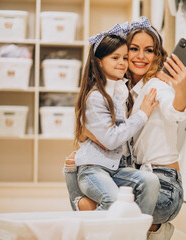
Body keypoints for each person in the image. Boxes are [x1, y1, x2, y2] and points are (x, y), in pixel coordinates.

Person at [65, 17, 186, 240]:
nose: (141, 56)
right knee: (81, 168)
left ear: (156, 55)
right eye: (134, 49)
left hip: (165, 187)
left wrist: (180, 88)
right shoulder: (120, 90)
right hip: (137, 173)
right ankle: (149, 229)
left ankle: (152, 228)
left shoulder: (156, 85)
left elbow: (175, 111)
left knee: (96, 205)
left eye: (149, 50)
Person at [69, 24, 161, 215]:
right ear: (99, 62)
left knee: (151, 181)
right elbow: (111, 140)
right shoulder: (95, 97)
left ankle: (135, 233)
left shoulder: (120, 90)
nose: (123, 62)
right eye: (115, 58)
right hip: (93, 169)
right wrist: (142, 114)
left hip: (117, 168)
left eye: (125, 58)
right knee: (112, 200)